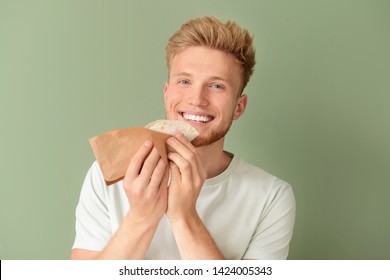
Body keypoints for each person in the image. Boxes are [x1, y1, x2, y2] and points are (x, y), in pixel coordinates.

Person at [71, 16, 295, 260]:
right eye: (185, 81)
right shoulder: (108, 176)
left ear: (239, 107)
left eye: (217, 86)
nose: (197, 99)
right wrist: (142, 217)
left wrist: (184, 216)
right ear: (167, 94)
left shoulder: (271, 197)